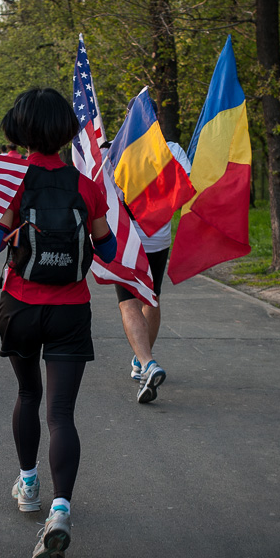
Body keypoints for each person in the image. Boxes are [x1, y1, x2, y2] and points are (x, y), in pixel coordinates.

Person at [0, 88, 117, 558]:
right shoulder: (86, 186)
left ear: (21, 131)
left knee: (28, 395)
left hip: (20, 305)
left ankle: (28, 486)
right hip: (72, 309)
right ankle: (61, 511)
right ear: (66, 131)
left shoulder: (12, 182)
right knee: (61, 413)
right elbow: (106, 252)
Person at [113, 98, 192, 404]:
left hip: (126, 240)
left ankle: (145, 361)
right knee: (152, 297)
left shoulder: (116, 150)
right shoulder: (173, 150)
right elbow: (186, 186)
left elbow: (107, 194)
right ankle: (141, 360)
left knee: (128, 303)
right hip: (157, 239)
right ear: (156, 117)